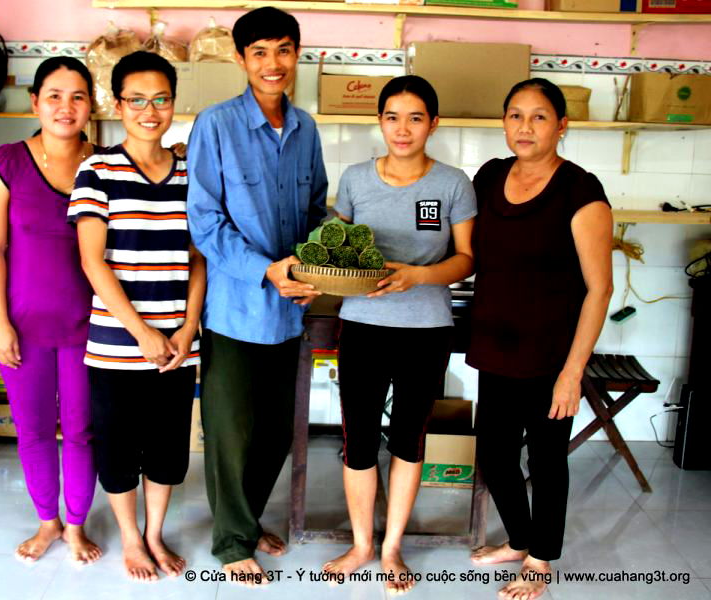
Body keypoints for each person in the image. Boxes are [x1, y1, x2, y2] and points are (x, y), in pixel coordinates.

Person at [186, 6, 327, 585]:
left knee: (275, 431)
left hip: (291, 309)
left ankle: (245, 519)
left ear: (297, 55)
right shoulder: (215, 126)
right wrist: (267, 270)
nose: (274, 64)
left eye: (284, 50)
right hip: (237, 308)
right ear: (242, 59)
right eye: (260, 52)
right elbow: (205, 222)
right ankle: (231, 541)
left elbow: (317, 208)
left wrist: (319, 266)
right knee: (230, 432)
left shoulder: (306, 129)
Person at [321, 75, 477, 595]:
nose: (403, 129)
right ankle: (362, 544)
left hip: (425, 330)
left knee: (409, 439)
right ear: (380, 121)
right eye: (392, 117)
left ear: (433, 123)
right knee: (358, 439)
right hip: (363, 328)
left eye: (415, 118)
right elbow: (337, 246)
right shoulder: (357, 180)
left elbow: (465, 259)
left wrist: (417, 274)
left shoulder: (453, 184)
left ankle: (391, 550)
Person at [466, 78, 613, 600]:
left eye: (539, 117)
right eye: (514, 115)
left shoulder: (581, 190)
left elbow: (600, 289)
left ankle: (541, 558)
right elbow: (453, 235)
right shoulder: (487, 178)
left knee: (547, 460)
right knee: (495, 455)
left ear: (562, 125)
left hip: (552, 354)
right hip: (495, 344)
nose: (524, 127)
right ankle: (520, 537)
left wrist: (573, 372)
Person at [67, 51, 206, 582]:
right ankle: (130, 537)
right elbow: (91, 260)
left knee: (170, 449)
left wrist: (188, 328)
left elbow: (198, 257)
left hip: (177, 343)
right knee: (120, 448)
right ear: (118, 105)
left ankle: (154, 533)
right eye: (137, 100)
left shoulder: (190, 174)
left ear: (173, 103)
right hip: (117, 344)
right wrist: (143, 332)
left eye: (161, 99)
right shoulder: (97, 169)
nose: (150, 111)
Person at [0, 56, 101, 565]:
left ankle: (75, 525)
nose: (65, 107)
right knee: (31, 429)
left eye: (77, 96)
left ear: (91, 106)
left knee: (81, 429)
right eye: (54, 95)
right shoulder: (4, 164)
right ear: (34, 102)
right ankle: (46, 521)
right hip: (22, 327)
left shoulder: (107, 163)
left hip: (91, 327)